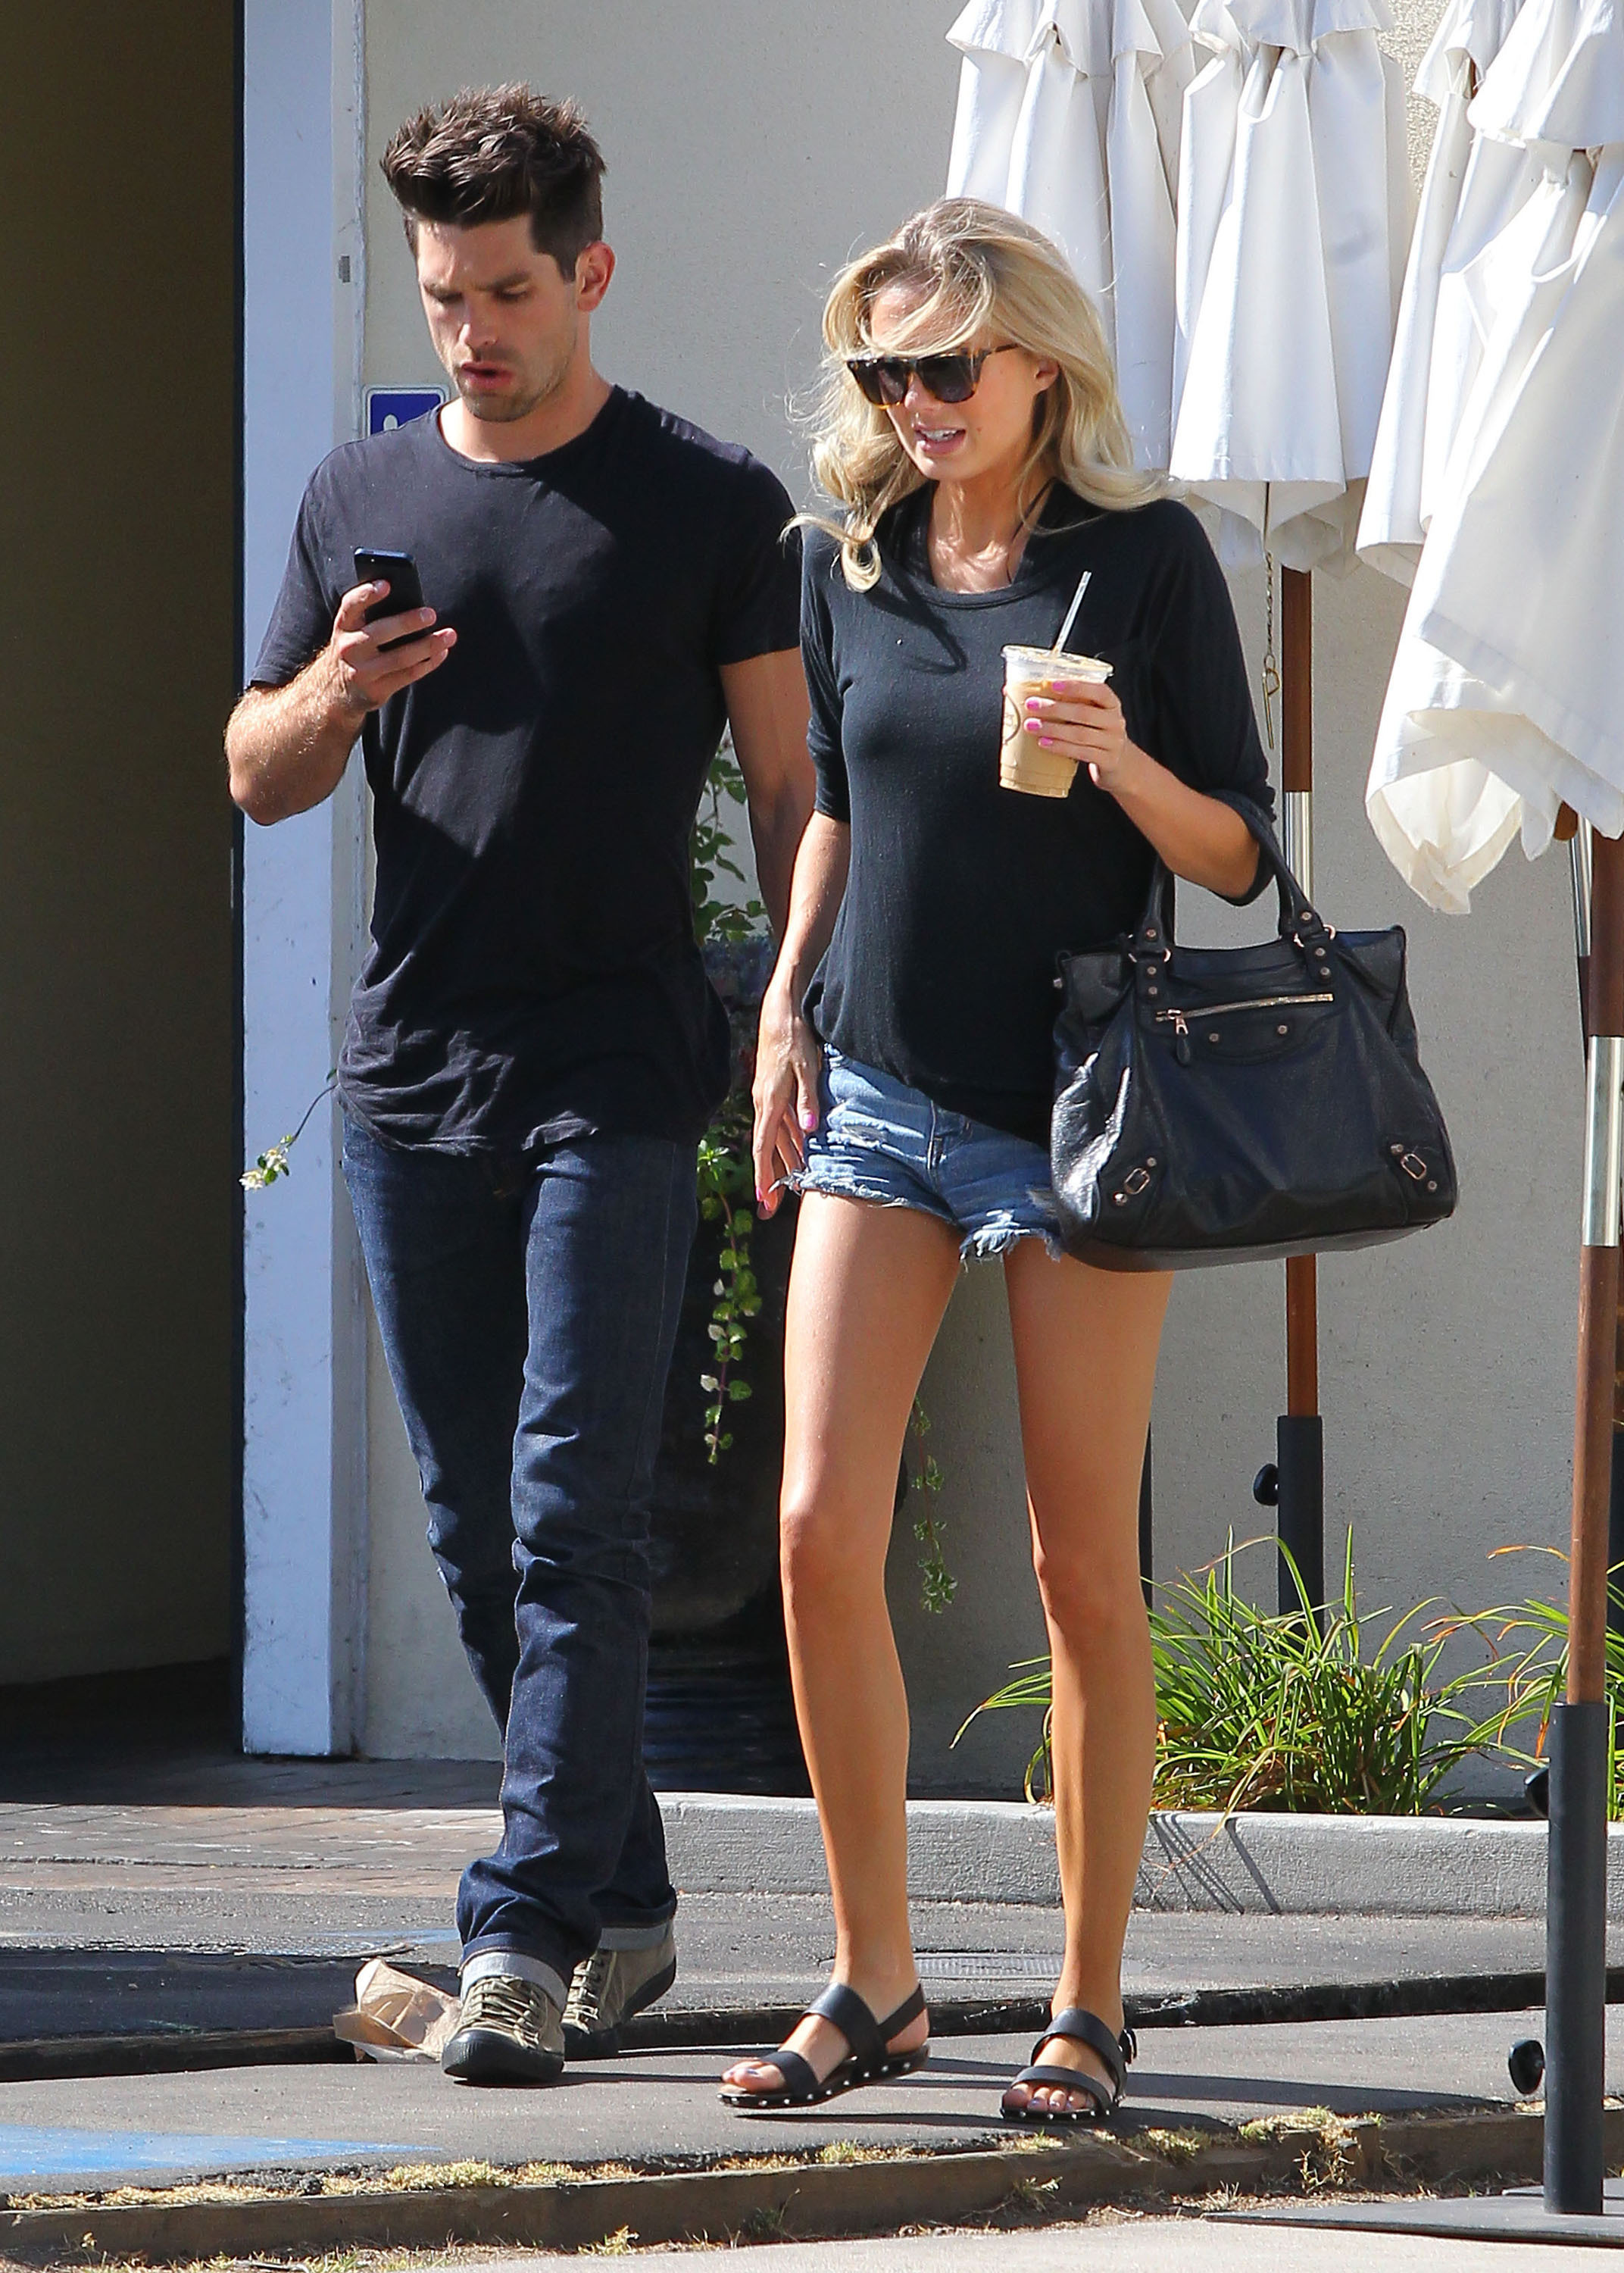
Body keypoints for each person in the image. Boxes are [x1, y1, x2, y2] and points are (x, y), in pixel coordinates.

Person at [226, 85, 811, 2087]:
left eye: (505, 294)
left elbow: (791, 786)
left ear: (590, 274)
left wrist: (798, 1006)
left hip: (618, 1072)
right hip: (412, 1076)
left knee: (577, 1517)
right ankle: (621, 1902)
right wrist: (336, 688)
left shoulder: (707, 504)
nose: (470, 332)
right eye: (443, 297)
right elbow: (253, 770)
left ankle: (522, 1937)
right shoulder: (358, 497)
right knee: (481, 1534)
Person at [720, 200, 1272, 2122]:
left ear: (1039, 358)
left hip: (1078, 1112)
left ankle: (1087, 2001)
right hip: (880, 1092)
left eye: (946, 364)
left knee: (1076, 1568)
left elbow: (1235, 858)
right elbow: (833, 809)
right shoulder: (844, 560)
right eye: (884, 370)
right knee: (814, 1530)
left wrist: (1119, 757)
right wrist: (784, 1005)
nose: (915, 400)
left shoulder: (1143, 561)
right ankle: (873, 1980)